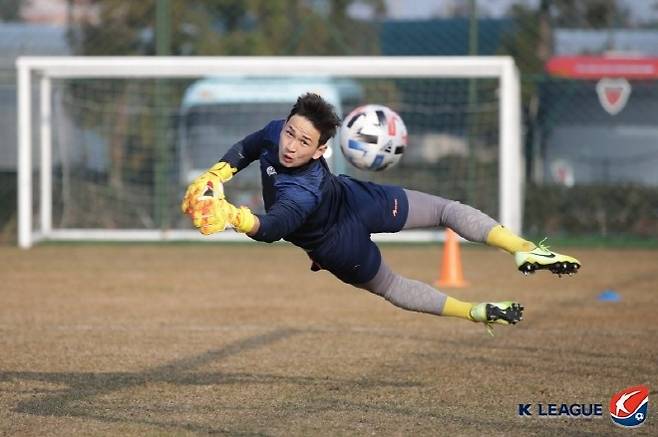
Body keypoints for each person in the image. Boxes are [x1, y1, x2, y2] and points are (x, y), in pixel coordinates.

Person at [181, 93, 581, 333]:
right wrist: (218, 173)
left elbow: (273, 228)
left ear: (321, 151)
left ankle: (523, 248)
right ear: (284, 124)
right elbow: (249, 148)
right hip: (339, 244)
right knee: (392, 283)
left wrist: (233, 215)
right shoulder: (276, 134)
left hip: (349, 202)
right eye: (290, 133)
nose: (291, 145)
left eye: (304, 141)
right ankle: (474, 311)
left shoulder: (303, 190)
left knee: (442, 213)